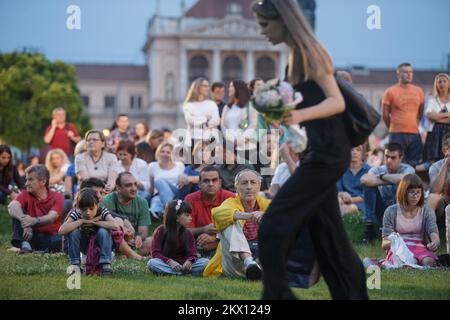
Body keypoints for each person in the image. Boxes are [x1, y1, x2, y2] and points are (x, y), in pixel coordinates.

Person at [253, 0, 368, 300]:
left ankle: (277, 296)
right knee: (328, 236)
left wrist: (299, 116)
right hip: (317, 150)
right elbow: (306, 104)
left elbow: (336, 102)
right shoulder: (294, 58)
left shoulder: (311, 53)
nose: (262, 32)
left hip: (329, 152)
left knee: (274, 223)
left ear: (283, 21)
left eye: (265, 25)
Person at [203, 170, 267, 280]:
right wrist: (250, 216)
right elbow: (217, 213)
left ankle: (257, 269)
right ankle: (249, 262)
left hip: (263, 260)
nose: (249, 187)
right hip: (236, 265)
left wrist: (266, 215)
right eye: (244, 183)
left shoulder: (267, 205)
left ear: (259, 186)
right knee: (230, 222)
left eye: (253, 182)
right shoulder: (230, 203)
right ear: (236, 187)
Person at [360, 143, 415, 242]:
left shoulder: (407, 168)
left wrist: (382, 177)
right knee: (368, 187)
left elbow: (407, 178)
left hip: (402, 212)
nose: (389, 161)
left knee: (403, 184)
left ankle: (399, 229)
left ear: (401, 158)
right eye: (387, 157)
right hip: (382, 210)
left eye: (393, 158)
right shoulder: (379, 169)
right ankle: (369, 227)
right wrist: (391, 179)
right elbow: (364, 180)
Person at [382, 174, 440, 267]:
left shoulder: (427, 212)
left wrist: (435, 242)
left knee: (429, 262)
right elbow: (384, 243)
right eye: (411, 192)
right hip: (399, 250)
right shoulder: (391, 211)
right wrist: (394, 241)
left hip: (420, 248)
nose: (415, 196)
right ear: (403, 192)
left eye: (418, 192)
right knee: (406, 264)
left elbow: (433, 232)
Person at [59, 188, 120, 276]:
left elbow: (115, 225)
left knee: (103, 231)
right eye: (84, 209)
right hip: (85, 246)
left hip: (101, 246)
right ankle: (75, 265)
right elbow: (61, 230)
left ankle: (105, 265)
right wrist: (81, 221)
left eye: (91, 208)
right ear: (78, 208)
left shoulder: (102, 211)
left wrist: (96, 223)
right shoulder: (77, 214)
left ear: (97, 205)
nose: (88, 212)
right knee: (73, 232)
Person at [8, 165, 63, 253]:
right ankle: (25, 245)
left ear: (43, 181)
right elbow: (12, 206)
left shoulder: (57, 197)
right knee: (17, 210)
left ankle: (40, 249)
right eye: (26, 179)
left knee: (58, 240)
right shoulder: (25, 194)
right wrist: (25, 222)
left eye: (30, 180)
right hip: (31, 235)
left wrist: (33, 221)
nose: (26, 183)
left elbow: (52, 217)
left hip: (50, 236)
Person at [147, 200, 209, 276]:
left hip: (184, 265)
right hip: (167, 264)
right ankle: (184, 274)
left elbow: (193, 254)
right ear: (176, 218)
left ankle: (175, 273)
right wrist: (170, 262)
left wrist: (189, 261)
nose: (190, 218)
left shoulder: (188, 233)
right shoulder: (161, 231)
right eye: (187, 215)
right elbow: (155, 253)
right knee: (152, 263)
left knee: (206, 262)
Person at [185, 166, 235, 256]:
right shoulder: (190, 199)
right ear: (199, 184)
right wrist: (204, 229)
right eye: (206, 181)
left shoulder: (230, 198)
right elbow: (184, 230)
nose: (210, 184)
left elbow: (239, 228)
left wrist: (214, 237)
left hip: (226, 239)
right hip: (198, 240)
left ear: (220, 183)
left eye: (214, 180)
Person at [382, 63, 425, 167]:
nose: (409, 74)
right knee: (395, 164)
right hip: (396, 134)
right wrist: (392, 128)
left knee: (413, 165)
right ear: (398, 74)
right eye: (406, 72)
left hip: (414, 134)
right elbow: (385, 114)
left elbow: (421, 112)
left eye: (411, 72)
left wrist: (415, 124)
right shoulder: (390, 91)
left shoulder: (419, 91)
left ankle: (410, 184)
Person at [102, 172, 152, 256]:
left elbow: (143, 232)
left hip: (133, 242)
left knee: (154, 241)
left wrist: (138, 237)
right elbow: (106, 223)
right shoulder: (108, 200)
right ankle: (126, 253)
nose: (134, 188)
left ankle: (124, 253)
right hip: (114, 240)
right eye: (128, 185)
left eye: (135, 184)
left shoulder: (142, 202)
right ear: (118, 188)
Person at [75, 129, 119, 194]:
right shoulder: (79, 158)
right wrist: (98, 191)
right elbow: (85, 180)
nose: (91, 142)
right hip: (86, 193)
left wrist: (106, 190)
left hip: (106, 192)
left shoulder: (111, 157)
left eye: (95, 140)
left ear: (103, 144)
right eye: (88, 140)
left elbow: (112, 180)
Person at [149, 142, 185, 218]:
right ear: (158, 152)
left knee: (159, 181)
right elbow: (151, 187)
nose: (165, 154)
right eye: (162, 151)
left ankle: (170, 210)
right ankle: (157, 213)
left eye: (168, 152)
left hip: (176, 193)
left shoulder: (179, 165)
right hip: (159, 193)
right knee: (156, 200)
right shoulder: (152, 166)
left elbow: (182, 181)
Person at [221, 80, 258, 152]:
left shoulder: (249, 106)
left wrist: (241, 140)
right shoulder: (227, 107)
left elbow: (253, 125)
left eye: (231, 86)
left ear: (238, 88)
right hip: (229, 146)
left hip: (246, 147)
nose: (229, 89)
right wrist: (231, 140)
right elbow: (223, 126)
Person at [183, 78, 220, 148]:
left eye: (208, 86)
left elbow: (216, 121)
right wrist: (206, 119)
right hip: (192, 140)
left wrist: (197, 120)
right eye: (205, 86)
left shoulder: (211, 104)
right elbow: (189, 121)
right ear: (198, 87)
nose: (208, 88)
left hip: (210, 139)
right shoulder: (188, 105)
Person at [337, 144, 371, 215]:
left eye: (358, 150)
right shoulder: (341, 169)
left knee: (351, 208)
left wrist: (351, 200)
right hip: (343, 201)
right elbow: (338, 190)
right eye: (351, 149)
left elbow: (367, 196)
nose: (354, 152)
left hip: (361, 204)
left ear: (362, 153)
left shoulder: (369, 170)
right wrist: (343, 194)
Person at [423, 73, 450, 163]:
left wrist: (436, 117)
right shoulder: (432, 100)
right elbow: (429, 115)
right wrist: (448, 114)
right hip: (434, 135)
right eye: (439, 82)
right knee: (433, 161)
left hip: (448, 135)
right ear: (436, 85)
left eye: (444, 81)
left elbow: (433, 117)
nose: (442, 84)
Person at [427, 134, 450, 228]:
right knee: (433, 197)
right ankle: (429, 234)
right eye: (448, 146)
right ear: (443, 149)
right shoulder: (435, 167)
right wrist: (445, 164)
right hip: (442, 208)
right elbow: (435, 191)